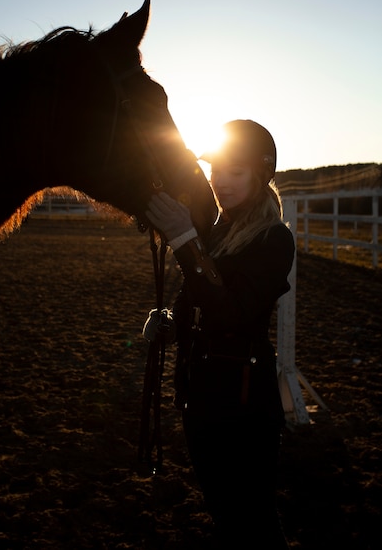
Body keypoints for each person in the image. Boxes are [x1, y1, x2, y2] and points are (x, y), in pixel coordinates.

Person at [146, 119, 294, 548]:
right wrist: (171, 324)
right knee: (224, 512)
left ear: (260, 175)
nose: (221, 183)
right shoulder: (218, 230)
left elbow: (232, 313)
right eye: (216, 171)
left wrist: (185, 239)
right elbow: (197, 297)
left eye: (235, 172)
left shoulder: (273, 238)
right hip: (202, 396)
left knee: (254, 518)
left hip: (244, 405)